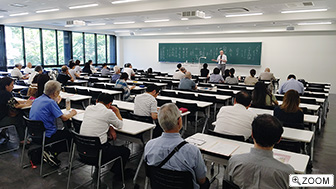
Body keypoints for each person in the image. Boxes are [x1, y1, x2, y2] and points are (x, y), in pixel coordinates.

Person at [144, 103, 209, 189]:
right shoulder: (193, 151)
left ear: (160, 122)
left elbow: (148, 173)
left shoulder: (149, 146)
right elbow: (201, 180)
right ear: (179, 121)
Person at [225, 114, 294, 189]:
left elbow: (227, 183)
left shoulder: (234, 161)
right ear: (279, 140)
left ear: (252, 134)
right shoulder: (287, 172)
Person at [80, 93, 131, 179]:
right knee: (125, 151)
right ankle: (113, 175)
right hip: (98, 155)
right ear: (109, 104)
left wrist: (110, 127)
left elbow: (100, 121)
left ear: (96, 101)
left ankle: (98, 171)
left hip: (82, 152)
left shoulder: (88, 108)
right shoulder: (108, 112)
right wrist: (117, 112)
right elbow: (120, 125)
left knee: (102, 142)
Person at [29, 81, 77, 166]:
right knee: (70, 135)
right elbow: (65, 118)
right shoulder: (51, 102)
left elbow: (49, 109)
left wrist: (56, 103)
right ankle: (53, 152)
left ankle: (49, 151)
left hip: (34, 135)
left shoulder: (37, 99)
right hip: (47, 135)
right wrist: (72, 113)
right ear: (55, 93)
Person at [0, 77, 33, 144]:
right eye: (12, 85)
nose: (13, 87)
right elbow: (15, 105)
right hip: (1, 120)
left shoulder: (2, 93)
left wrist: (24, 102)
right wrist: (27, 103)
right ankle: (23, 140)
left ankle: (3, 134)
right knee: (19, 118)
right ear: (6, 86)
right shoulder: (6, 94)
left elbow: (13, 102)